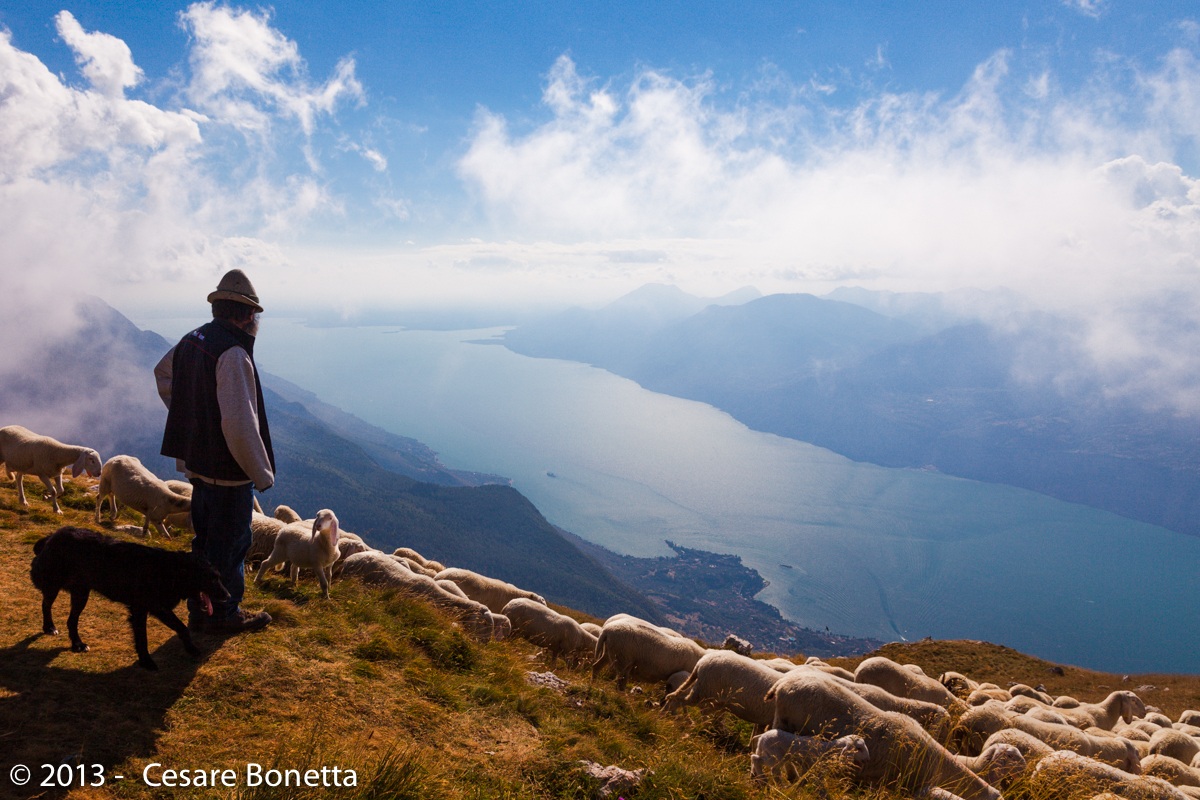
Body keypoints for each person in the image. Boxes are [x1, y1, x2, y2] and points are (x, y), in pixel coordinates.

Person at [155, 269, 275, 633]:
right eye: (254, 315)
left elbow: (162, 374)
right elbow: (239, 425)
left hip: (197, 465)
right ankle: (224, 614)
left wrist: (192, 418)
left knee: (205, 542)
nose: (255, 321)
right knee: (233, 544)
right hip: (228, 473)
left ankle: (199, 608)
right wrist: (261, 473)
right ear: (244, 314)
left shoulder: (194, 339)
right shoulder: (234, 352)